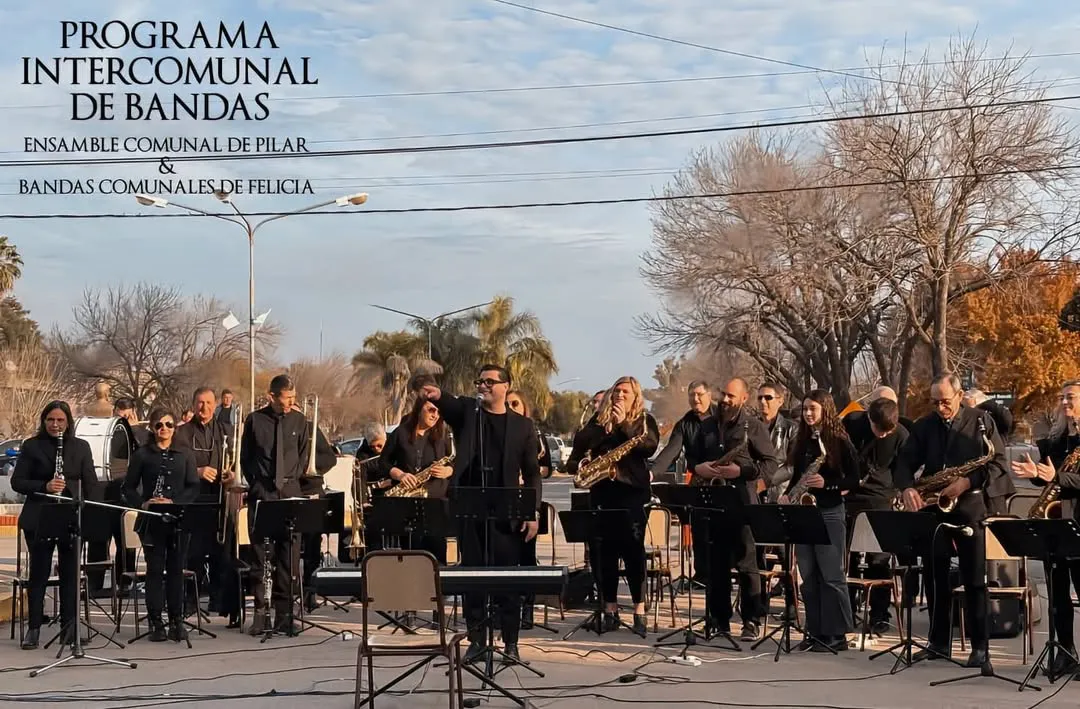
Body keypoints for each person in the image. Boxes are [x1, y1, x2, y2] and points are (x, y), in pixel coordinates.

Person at [418, 365, 541, 664]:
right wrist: (437, 393)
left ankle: (510, 642)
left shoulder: (523, 427)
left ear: (505, 386)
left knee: (507, 579)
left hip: (507, 512)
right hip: (471, 510)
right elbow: (450, 403)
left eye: (490, 381)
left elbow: (532, 473)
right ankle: (476, 640)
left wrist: (532, 511)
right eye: (480, 381)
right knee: (473, 577)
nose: (483, 386)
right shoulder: (468, 414)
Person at [894, 373, 1009, 670]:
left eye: (945, 402)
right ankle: (938, 642)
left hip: (970, 506)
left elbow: (997, 464)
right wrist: (907, 486)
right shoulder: (925, 425)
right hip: (935, 506)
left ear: (959, 396)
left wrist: (966, 481)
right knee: (934, 576)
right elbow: (904, 463)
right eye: (935, 402)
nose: (940, 408)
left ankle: (980, 648)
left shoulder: (982, 421)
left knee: (974, 579)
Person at [568, 376, 660, 638]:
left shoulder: (644, 420)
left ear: (635, 396)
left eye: (625, 392)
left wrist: (623, 425)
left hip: (633, 494)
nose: (619, 395)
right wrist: (580, 465)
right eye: (616, 391)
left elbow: (649, 447)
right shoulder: (597, 423)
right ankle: (610, 611)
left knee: (633, 552)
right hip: (602, 494)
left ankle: (639, 610)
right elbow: (576, 454)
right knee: (603, 554)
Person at [12, 401, 98, 650]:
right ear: (44, 420)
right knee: (38, 573)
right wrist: (45, 486)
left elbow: (90, 482)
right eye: (50, 419)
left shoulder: (80, 447)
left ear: (68, 422)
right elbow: (18, 482)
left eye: (60, 420)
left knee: (70, 574)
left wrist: (84, 504)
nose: (55, 425)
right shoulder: (32, 446)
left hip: (71, 515)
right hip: (39, 516)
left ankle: (69, 629)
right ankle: (34, 628)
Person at [1012, 380, 1080, 677]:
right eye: (1063, 398)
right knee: (1057, 596)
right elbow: (1046, 476)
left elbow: (1060, 479)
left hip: (1079, 523)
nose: (1065, 403)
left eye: (1072, 398)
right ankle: (1065, 652)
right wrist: (1035, 475)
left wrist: (1057, 478)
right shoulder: (1057, 439)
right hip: (1055, 525)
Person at [782, 389, 859, 652]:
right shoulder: (802, 440)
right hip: (804, 513)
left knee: (831, 575)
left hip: (829, 511)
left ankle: (836, 634)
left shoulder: (839, 440)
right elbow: (798, 476)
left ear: (825, 410)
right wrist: (787, 494)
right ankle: (814, 632)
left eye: (813, 409)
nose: (808, 414)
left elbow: (854, 480)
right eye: (805, 409)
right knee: (809, 576)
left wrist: (828, 484)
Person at [240, 374, 313, 635]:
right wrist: (259, 484)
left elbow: (303, 455)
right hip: (263, 492)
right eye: (287, 399)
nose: (291, 403)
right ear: (272, 396)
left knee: (288, 558)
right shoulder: (255, 420)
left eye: (294, 398)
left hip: (290, 492)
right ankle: (261, 613)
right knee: (261, 556)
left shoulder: (299, 420)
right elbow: (246, 458)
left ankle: (285, 614)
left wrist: (290, 482)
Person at [122, 408, 199, 642]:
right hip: (152, 520)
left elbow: (194, 486)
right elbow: (127, 488)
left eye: (169, 424)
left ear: (175, 428)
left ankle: (177, 620)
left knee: (176, 570)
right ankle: (156, 622)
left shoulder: (185, 454)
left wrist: (175, 502)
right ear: (152, 428)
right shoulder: (142, 455)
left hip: (177, 520)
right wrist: (143, 503)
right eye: (159, 425)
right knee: (155, 571)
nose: (164, 429)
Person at [843, 396, 908, 633]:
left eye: (886, 431)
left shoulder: (900, 435)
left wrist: (901, 491)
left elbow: (903, 469)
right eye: (877, 429)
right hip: (851, 497)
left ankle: (879, 614)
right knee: (847, 559)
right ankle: (846, 610)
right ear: (869, 418)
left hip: (882, 499)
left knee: (879, 561)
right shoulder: (852, 423)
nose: (881, 434)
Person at [173, 387, 237, 626]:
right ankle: (191, 600)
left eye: (209, 403)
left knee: (222, 554)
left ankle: (219, 602)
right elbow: (177, 465)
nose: (205, 408)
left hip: (221, 500)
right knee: (194, 555)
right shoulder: (181, 433)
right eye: (200, 403)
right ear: (194, 404)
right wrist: (198, 471)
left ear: (216, 404)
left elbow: (235, 461)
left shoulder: (225, 430)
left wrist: (230, 475)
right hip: (194, 501)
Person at [378, 396, 454, 562]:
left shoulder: (444, 435)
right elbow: (383, 462)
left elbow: (456, 461)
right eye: (431, 410)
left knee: (436, 555)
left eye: (439, 412)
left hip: (435, 502)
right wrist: (400, 475)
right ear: (419, 409)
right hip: (408, 502)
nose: (435, 415)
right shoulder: (401, 433)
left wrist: (448, 470)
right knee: (411, 554)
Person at [506, 390, 550, 628]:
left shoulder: (533, 432)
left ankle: (527, 610)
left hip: (528, 498)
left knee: (526, 558)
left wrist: (529, 472)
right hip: (505, 500)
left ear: (524, 408)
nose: (511, 406)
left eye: (515, 403)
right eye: (507, 403)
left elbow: (546, 469)